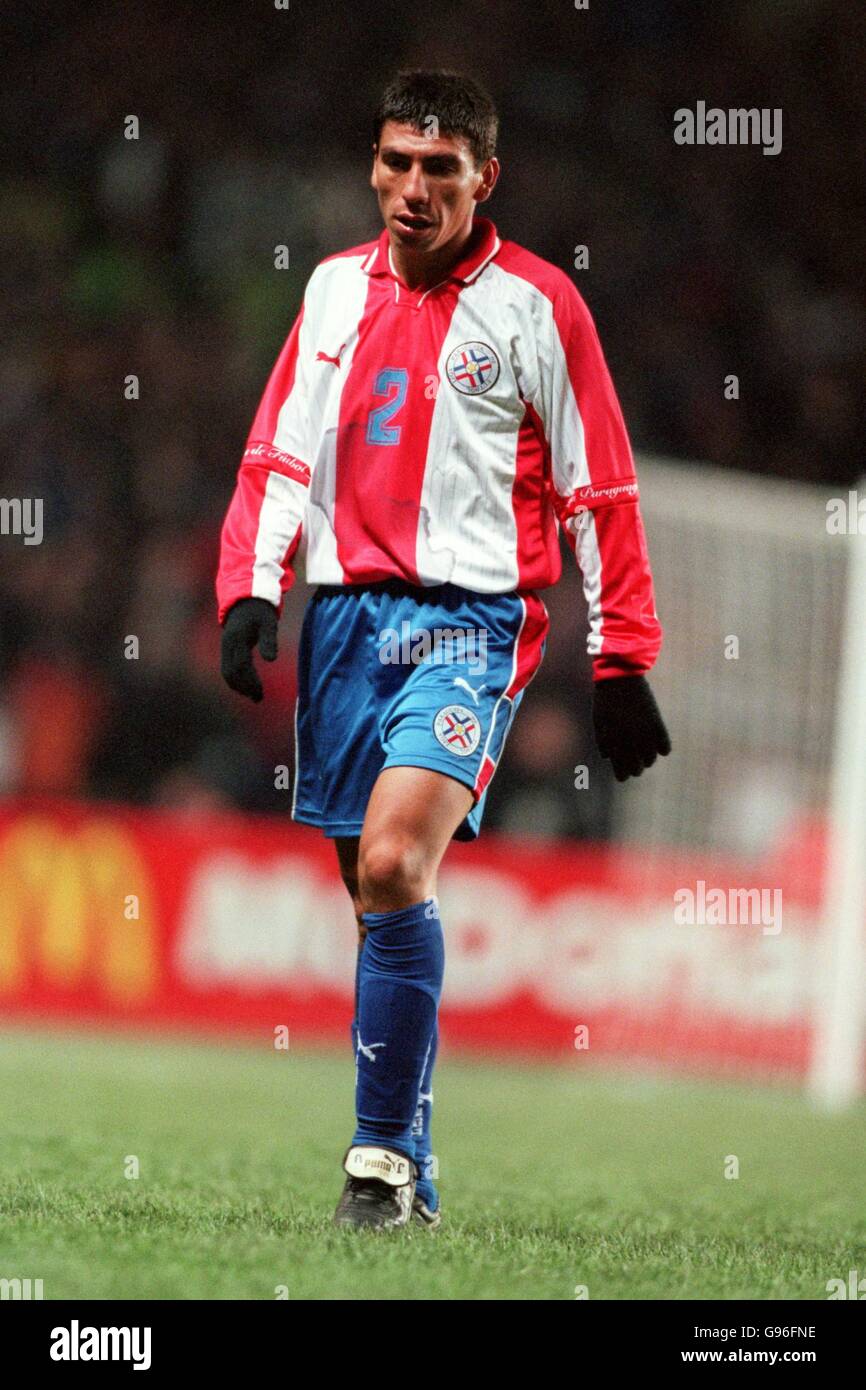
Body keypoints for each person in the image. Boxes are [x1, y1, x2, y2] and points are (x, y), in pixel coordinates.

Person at [216, 69, 671, 1230]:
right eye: (393, 163)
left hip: (468, 625)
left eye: (438, 168)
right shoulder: (326, 292)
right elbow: (279, 453)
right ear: (372, 164)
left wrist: (620, 658)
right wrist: (247, 590)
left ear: (484, 178)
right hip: (347, 622)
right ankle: (411, 1162)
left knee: (390, 866)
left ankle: (371, 1164)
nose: (411, 189)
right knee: (371, 897)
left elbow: (597, 486)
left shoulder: (537, 306)